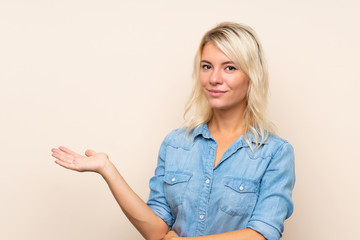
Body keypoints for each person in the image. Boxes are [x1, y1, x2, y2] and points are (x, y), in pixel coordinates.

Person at [51, 22, 295, 240]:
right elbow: (156, 230)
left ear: (252, 75)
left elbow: (262, 233)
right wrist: (107, 169)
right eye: (207, 66)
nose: (214, 78)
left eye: (229, 68)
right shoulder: (176, 144)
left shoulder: (275, 153)